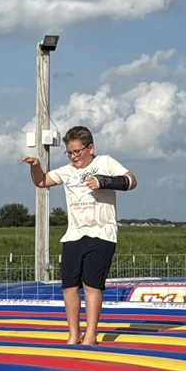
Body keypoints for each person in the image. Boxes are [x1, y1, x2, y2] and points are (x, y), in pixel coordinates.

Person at [21, 125, 137, 346]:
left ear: (90, 148)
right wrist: (35, 167)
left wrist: (104, 181)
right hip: (74, 235)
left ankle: (90, 335)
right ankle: (73, 334)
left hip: (101, 232)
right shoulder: (66, 171)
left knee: (92, 285)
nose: (74, 157)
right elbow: (41, 181)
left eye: (77, 152)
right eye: (70, 152)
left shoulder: (105, 162)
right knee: (69, 286)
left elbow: (131, 181)